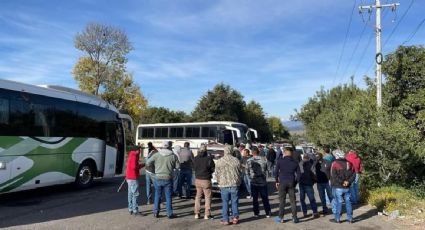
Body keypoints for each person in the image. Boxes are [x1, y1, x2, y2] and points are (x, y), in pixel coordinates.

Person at [146, 141, 180, 219]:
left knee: (157, 195)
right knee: (168, 196)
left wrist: (153, 170)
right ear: (169, 146)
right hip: (168, 178)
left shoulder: (156, 155)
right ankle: (169, 213)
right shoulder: (173, 156)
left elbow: (147, 162)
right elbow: (178, 167)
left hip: (157, 177)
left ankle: (156, 212)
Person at [215, 144, 242, 225]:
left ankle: (225, 219)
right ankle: (235, 218)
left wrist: (219, 182)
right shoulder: (236, 160)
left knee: (225, 202)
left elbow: (217, 174)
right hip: (234, 184)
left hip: (223, 184)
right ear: (231, 151)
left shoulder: (219, 161)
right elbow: (240, 172)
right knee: (234, 202)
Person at [274, 147, 300, 224]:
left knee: (282, 201)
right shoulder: (295, 162)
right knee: (293, 201)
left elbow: (275, 172)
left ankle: (281, 218)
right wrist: (295, 183)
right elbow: (299, 175)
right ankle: (294, 218)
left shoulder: (280, 161)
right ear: (291, 154)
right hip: (291, 182)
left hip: (282, 182)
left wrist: (276, 181)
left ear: (284, 153)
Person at [329, 150, 356, 224]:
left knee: (339, 202)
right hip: (347, 186)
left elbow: (333, 176)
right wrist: (348, 182)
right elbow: (354, 174)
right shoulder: (349, 163)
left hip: (338, 186)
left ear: (337, 156)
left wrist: (342, 182)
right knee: (348, 202)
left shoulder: (334, 163)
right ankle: (350, 219)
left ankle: (337, 219)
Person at [247, 147, 271, 218]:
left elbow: (246, 172)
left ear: (252, 152)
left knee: (255, 198)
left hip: (253, 181)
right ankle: (267, 212)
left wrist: (251, 177)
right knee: (265, 198)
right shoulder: (264, 159)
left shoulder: (249, 160)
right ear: (258, 152)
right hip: (262, 181)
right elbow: (268, 170)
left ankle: (256, 213)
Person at [193, 144, 215, 220]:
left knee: (198, 197)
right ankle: (207, 214)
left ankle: (197, 213)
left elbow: (194, 168)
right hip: (206, 179)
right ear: (206, 151)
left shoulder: (195, 158)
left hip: (197, 179)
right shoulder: (209, 159)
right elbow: (213, 169)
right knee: (208, 197)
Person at [126, 146, 145, 216]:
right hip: (133, 177)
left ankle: (130, 209)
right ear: (137, 150)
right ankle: (135, 210)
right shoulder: (134, 156)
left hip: (129, 177)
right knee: (135, 194)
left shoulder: (131, 155)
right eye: (139, 150)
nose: (140, 151)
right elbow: (134, 167)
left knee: (130, 193)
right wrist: (142, 165)